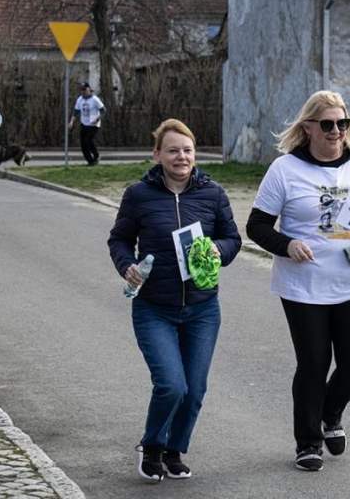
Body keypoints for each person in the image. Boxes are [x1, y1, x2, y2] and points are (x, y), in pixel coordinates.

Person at [246, 90, 350, 472]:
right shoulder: (285, 170)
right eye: (327, 124)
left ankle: (330, 412)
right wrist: (287, 244)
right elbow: (257, 226)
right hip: (303, 285)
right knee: (313, 362)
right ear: (308, 127)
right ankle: (308, 442)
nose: (336, 131)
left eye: (342, 124)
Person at [108, 118, 242, 482]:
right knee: (171, 384)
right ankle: (152, 445)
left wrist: (219, 248)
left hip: (202, 309)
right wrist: (127, 266)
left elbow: (234, 239)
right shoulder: (139, 195)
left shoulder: (212, 194)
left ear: (195, 154)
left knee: (195, 389)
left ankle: (174, 450)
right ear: (157, 154)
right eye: (172, 150)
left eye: (187, 150)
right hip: (154, 308)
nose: (181, 157)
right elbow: (119, 240)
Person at [68, 82, 106, 166]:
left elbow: (103, 110)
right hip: (84, 124)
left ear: (89, 89)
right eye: (81, 90)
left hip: (93, 124)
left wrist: (97, 118)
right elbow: (76, 112)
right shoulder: (80, 99)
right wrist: (71, 121)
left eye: (84, 89)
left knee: (88, 140)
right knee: (83, 144)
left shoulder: (95, 99)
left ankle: (96, 155)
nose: (83, 91)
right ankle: (90, 161)